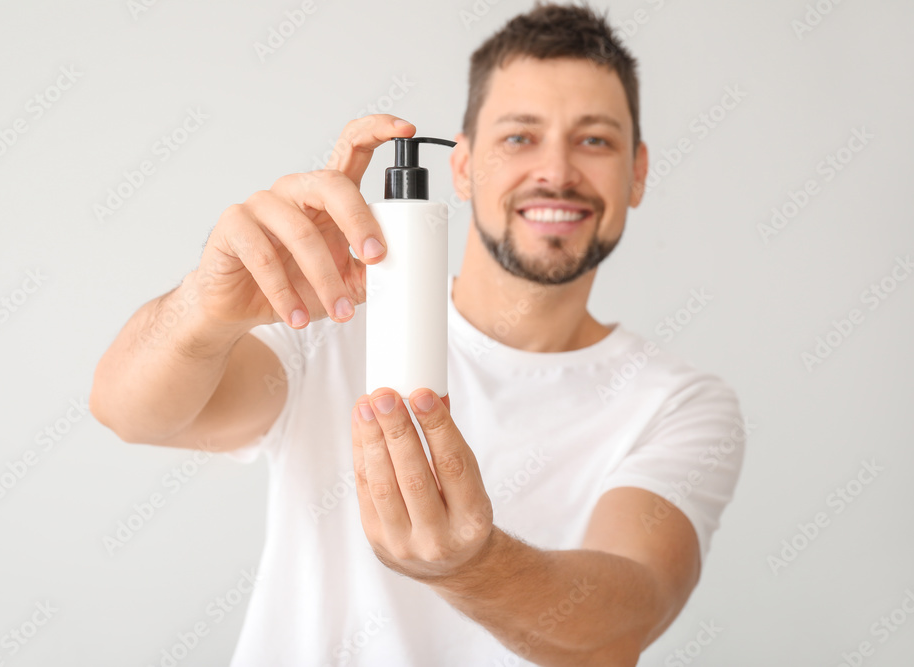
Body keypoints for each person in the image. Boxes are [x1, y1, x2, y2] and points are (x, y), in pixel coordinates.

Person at [90, 2, 746, 665]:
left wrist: (472, 565)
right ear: (460, 169)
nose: (556, 171)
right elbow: (126, 411)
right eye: (519, 137)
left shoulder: (677, 403)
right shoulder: (334, 319)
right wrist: (208, 308)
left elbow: (619, 625)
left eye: (595, 140)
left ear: (637, 171)